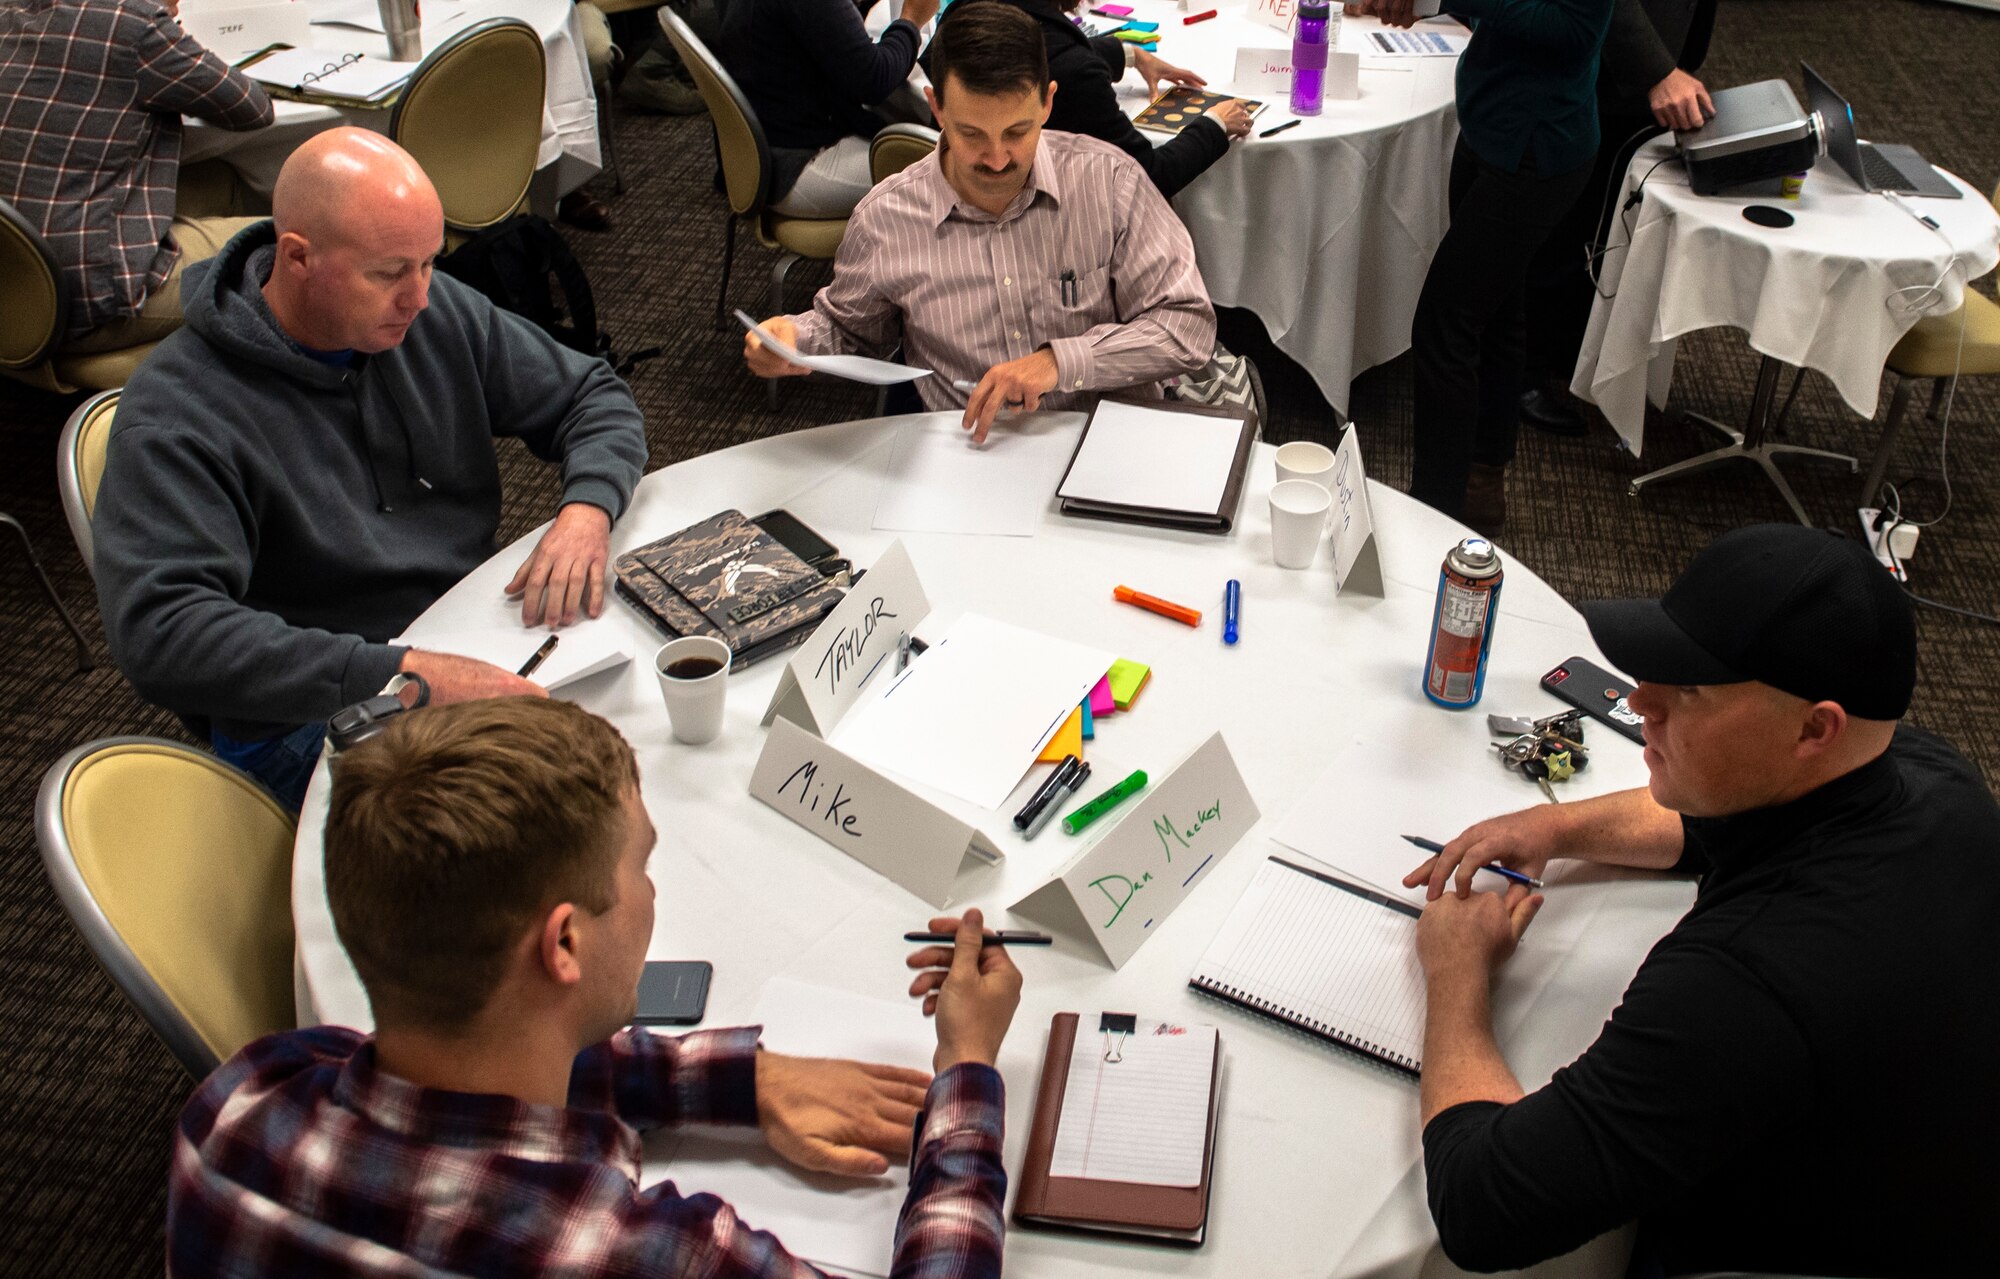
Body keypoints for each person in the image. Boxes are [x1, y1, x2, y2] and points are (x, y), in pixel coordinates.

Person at [167, 696, 1024, 1277]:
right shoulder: (641, 1253)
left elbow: (455, 1073)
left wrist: (733, 1078)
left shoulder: (239, 1102)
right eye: (643, 863)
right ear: (565, 940)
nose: (653, 890)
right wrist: (969, 1067)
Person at [1404, 524, 1999, 1276]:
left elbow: (1482, 1206)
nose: (1639, 700)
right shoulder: (1929, 773)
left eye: (1689, 688)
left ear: (1816, 728)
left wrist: (1457, 973)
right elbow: (1702, 819)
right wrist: (1551, 824)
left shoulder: (1749, 978)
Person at [93, 129, 649, 810]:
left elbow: (592, 393)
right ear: (298, 259)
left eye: (429, 265)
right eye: (389, 274)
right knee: (559, 817)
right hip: (308, 708)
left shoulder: (426, 312)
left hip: (464, 633)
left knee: (647, 729)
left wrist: (587, 510)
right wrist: (401, 673)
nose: (418, 298)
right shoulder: (180, 410)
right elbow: (163, 633)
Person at [743, 0, 1215, 442]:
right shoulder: (887, 217)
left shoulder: (1110, 183)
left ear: (1048, 104)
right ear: (937, 108)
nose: (995, 159)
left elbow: (1185, 325)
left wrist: (1058, 362)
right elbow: (850, 330)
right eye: (971, 134)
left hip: (1102, 441)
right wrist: (794, 339)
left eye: (1017, 132)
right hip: (968, 451)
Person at [1362, 0, 1614, 534]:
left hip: (1537, 145)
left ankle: (1432, 517)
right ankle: (1479, 488)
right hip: (1489, 125)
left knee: (1444, 326)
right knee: (1495, 314)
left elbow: (1573, 30)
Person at [0, 0, 274, 353]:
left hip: (17, 280)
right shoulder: (133, 23)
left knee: (222, 180)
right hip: (82, 298)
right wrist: (161, 25)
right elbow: (253, 108)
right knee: (299, 245)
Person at [1520, 0, 1716, 436]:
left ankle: (1562, 348)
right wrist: (1656, 69)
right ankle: (1521, 372)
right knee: (1559, 224)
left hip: (1653, 55)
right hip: (1596, 58)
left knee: (1604, 217)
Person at [930, 0, 1252, 198]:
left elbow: (1032, 47)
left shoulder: (964, 13)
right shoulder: (1076, 74)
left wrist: (1127, 54)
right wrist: (1214, 124)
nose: (997, 157)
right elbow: (1148, 178)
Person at [716, 0, 940, 219]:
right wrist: (912, 19)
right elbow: (874, 79)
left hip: (762, 146)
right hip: (794, 166)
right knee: (951, 166)